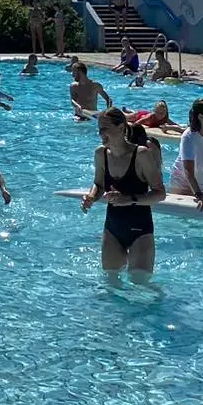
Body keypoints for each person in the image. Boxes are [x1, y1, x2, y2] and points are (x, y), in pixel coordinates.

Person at [79, 108, 164, 285]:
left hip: (140, 230)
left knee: (141, 284)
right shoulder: (100, 154)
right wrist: (92, 197)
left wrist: (130, 199)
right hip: (112, 229)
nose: (100, 134)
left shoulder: (141, 155)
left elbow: (159, 193)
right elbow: (99, 184)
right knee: (110, 283)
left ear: (120, 127)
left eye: (105, 129)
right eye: (99, 129)